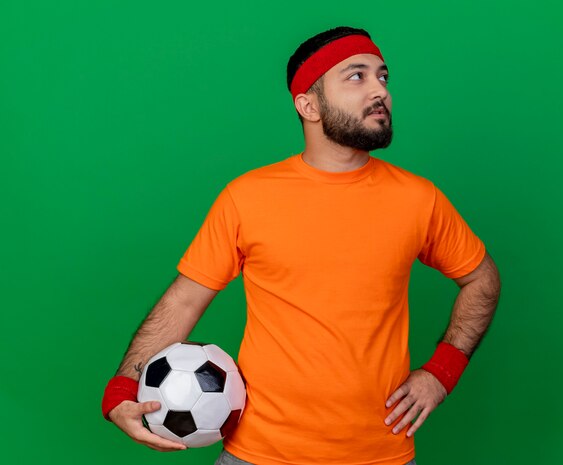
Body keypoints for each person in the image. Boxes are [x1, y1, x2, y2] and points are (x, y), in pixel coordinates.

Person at [102, 26, 501, 465]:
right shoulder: (247, 197)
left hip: (378, 453)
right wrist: (123, 387)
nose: (379, 91)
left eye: (382, 77)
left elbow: (482, 278)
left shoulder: (419, 199)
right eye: (356, 76)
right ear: (308, 105)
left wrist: (441, 373)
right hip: (259, 452)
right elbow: (185, 300)